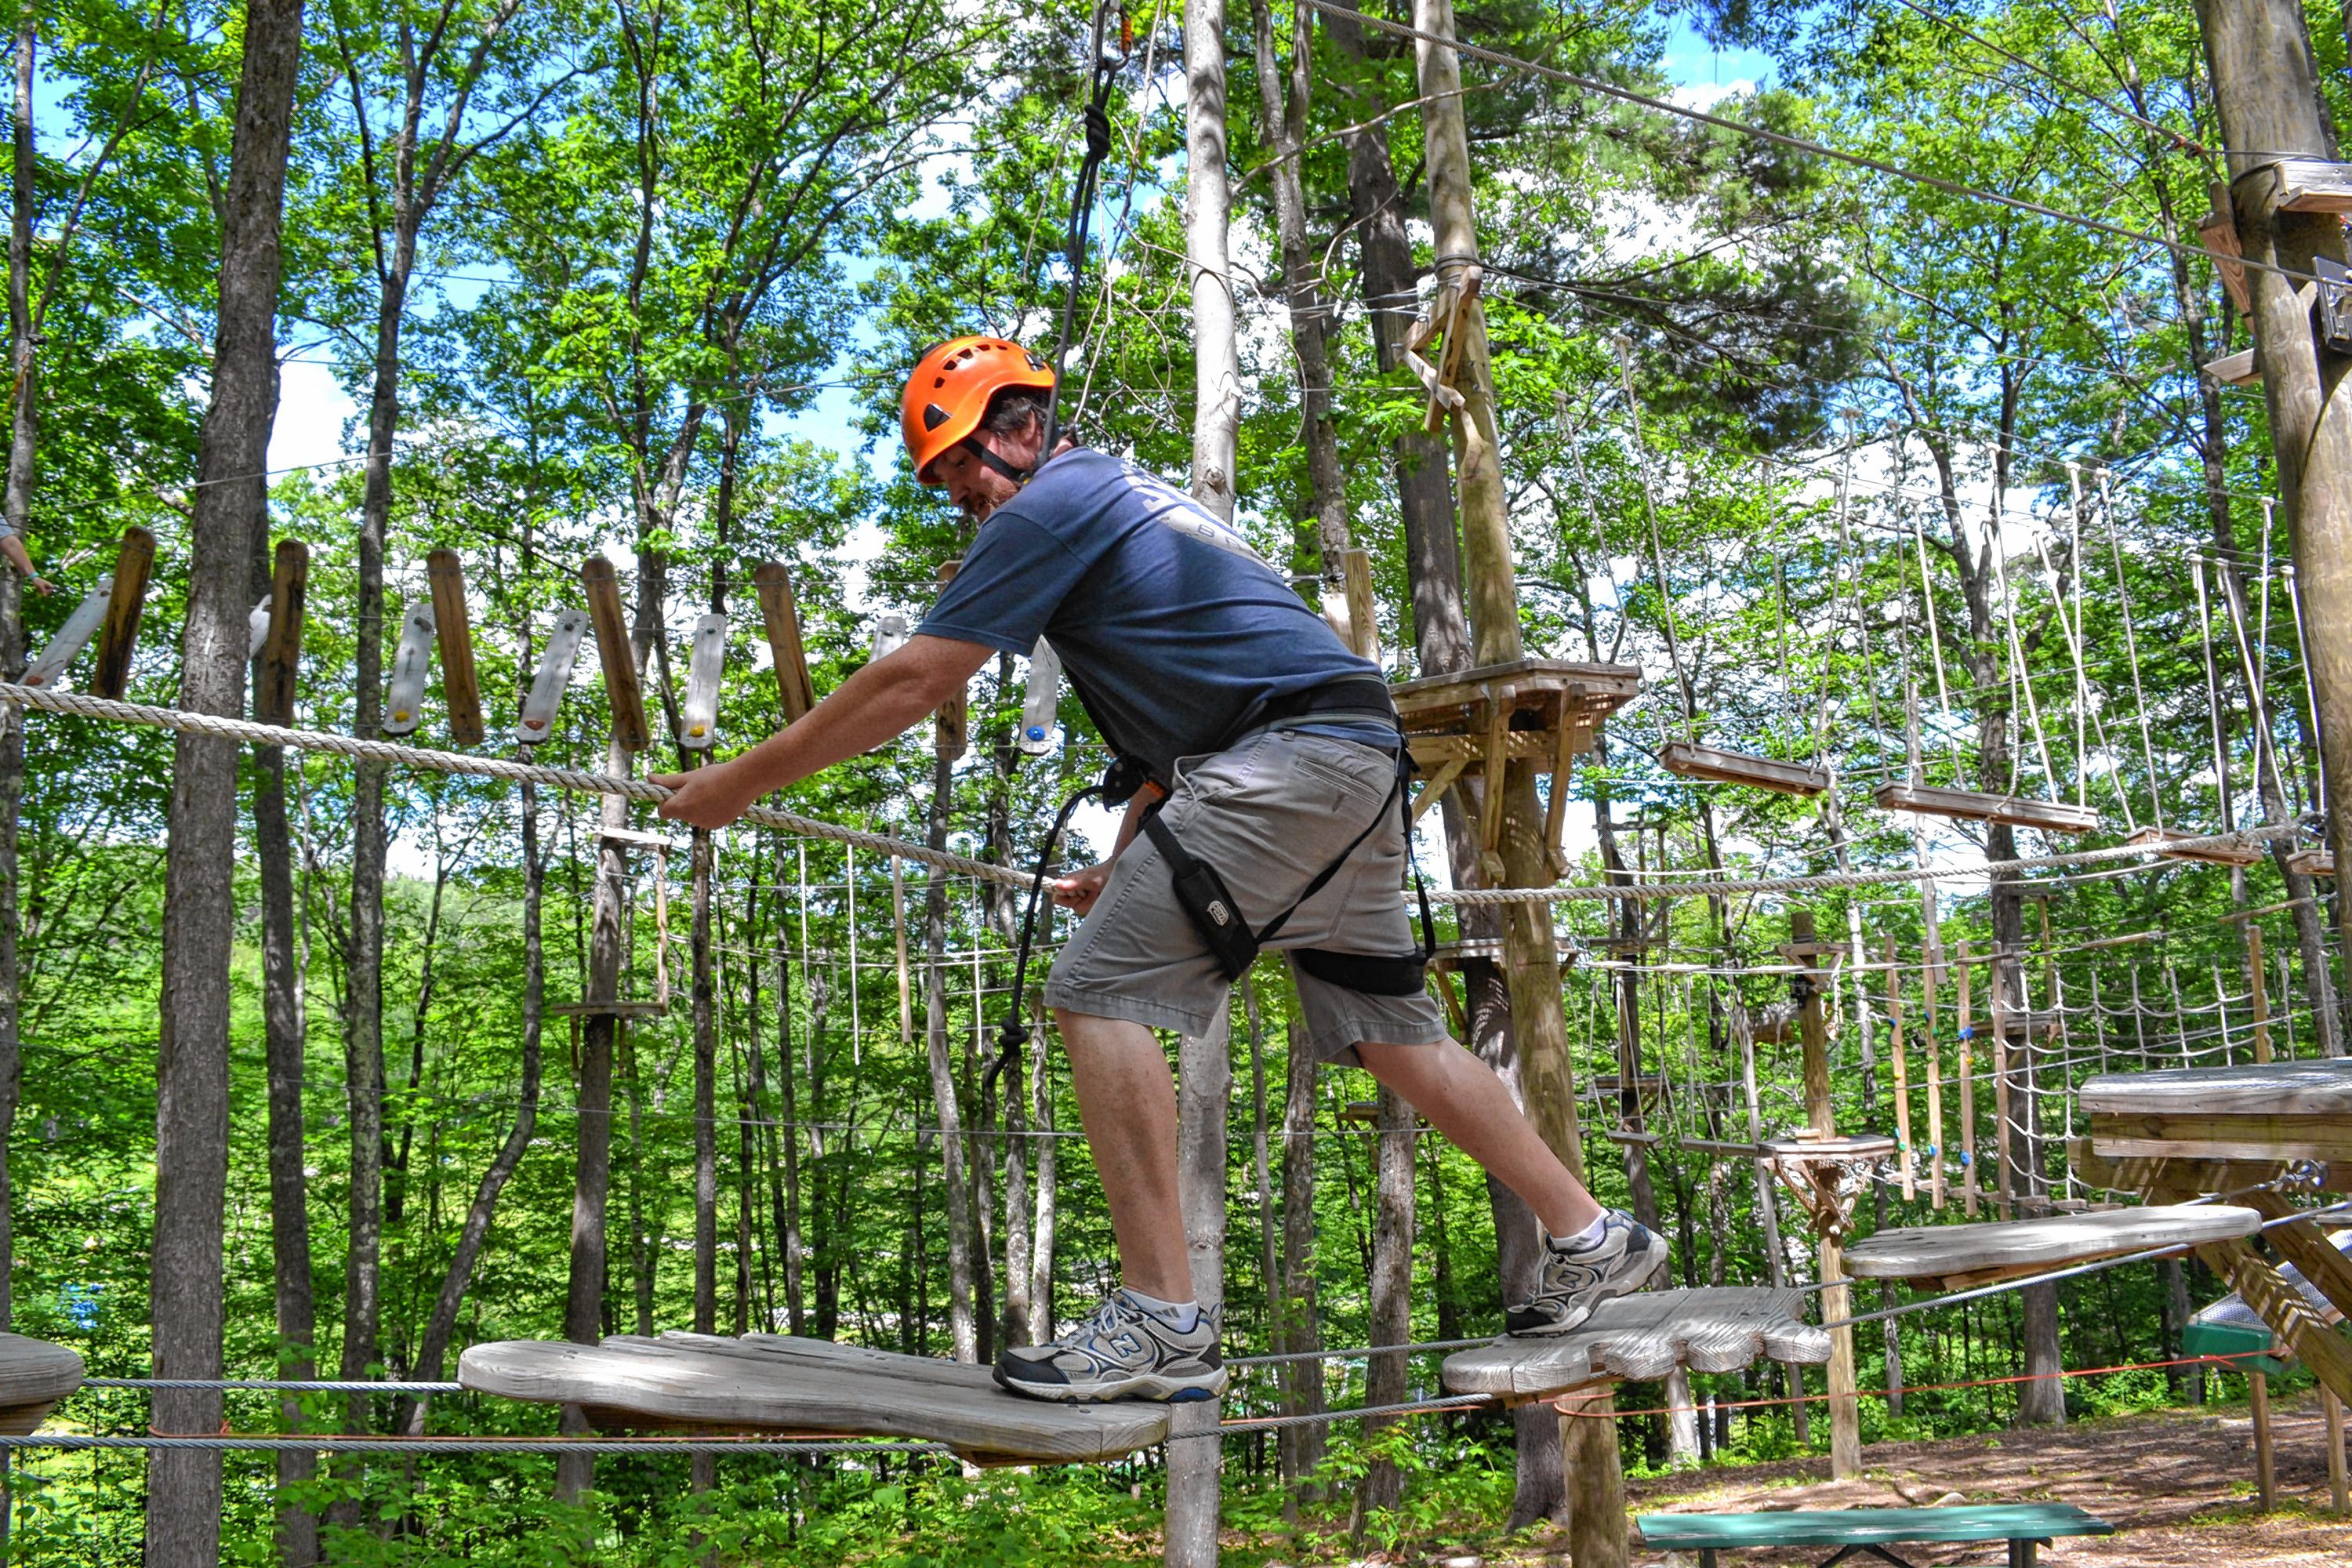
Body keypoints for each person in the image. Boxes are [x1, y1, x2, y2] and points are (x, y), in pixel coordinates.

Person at [655, 336, 1665, 1403]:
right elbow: (1170, 748)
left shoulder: (1054, 503)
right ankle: (1592, 1235)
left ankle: (1162, 1320)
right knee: (1389, 1034)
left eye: (961, 467)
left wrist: (743, 782)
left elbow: (919, 678)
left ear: (1019, 427)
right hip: (1343, 759)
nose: (960, 499)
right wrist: (1129, 865)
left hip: (1289, 763)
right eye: (944, 481)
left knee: (1096, 992)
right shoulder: (1130, 512)